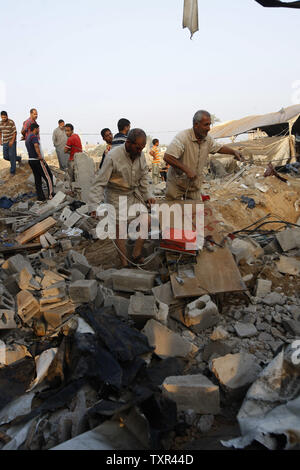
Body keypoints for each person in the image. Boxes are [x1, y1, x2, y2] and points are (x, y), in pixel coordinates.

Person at [89, 128, 156, 267]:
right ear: (129, 143)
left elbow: (144, 177)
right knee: (120, 230)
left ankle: (136, 253)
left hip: (132, 194)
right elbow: (99, 183)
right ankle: (124, 263)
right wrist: (94, 206)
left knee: (147, 220)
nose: (139, 151)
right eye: (137, 147)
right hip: (115, 195)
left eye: (142, 148)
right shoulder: (113, 157)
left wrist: (148, 195)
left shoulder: (140, 155)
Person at [164, 110, 244, 200]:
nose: (209, 128)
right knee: (174, 210)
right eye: (206, 125)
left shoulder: (208, 139)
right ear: (196, 125)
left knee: (196, 211)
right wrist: (186, 170)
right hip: (177, 183)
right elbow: (168, 157)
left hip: (194, 184)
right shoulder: (183, 137)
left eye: (209, 124)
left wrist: (233, 152)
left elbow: (219, 147)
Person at [25, 123, 54, 201]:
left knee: (37, 179)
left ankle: (40, 197)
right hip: (37, 160)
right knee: (49, 177)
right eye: (38, 129)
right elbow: (36, 146)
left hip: (31, 160)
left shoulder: (27, 138)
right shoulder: (34, 137)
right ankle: (51, 195)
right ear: (35, 129)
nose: (39, 130)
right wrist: (40, 156)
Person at [0, 111, 22, 176]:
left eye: (4, 117)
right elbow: (0, 132)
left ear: (7, 116)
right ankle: (18, 158)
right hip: (5, 141)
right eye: (2, 117)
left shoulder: (11, 122)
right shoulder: (0, 123)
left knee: (12, 156)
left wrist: (12, 141)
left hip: (12, 141)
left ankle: (12, 172)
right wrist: (0, 140)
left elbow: (15, 132)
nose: (3, 118)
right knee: (5, 156)